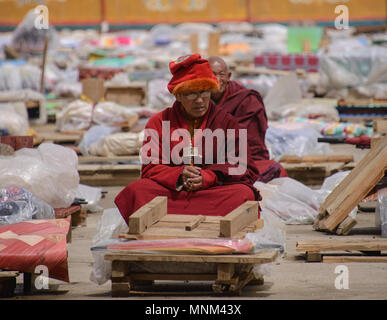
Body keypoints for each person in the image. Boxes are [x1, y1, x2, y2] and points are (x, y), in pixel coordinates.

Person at [115, 54, 262, 224]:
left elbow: (243, 167)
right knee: (137, 190)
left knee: (243, 194)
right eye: (191, 94)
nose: (200, 101)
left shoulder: (226, 122)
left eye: (204, 92)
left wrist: (209, 176)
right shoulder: (159, 122)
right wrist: (178, 174)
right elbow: (149, 168)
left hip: (211, 192)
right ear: (178, 96)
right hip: (173, 192)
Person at [208, 56, 287, 182]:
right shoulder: (200, 99)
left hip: (243, 159)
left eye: (221, 74)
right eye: (211, 75)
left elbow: (249, 143)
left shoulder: (246, 100)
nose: (217, 79)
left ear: (228, 76)